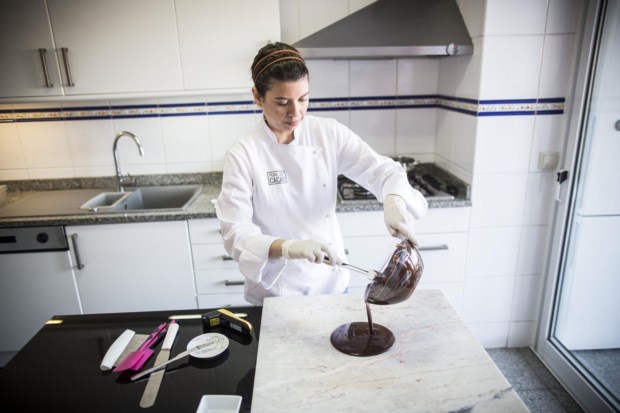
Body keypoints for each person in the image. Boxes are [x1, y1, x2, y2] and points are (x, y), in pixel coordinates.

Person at [216, 42, 427, 306]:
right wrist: (290, 247)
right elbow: (235, 233)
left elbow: (382, 170)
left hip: (331, 281)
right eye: (282, 102)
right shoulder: (243, 153)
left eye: (303, 99)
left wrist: (394, 200)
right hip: (278, 289)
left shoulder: (327, 133)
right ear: (257, 97)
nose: (295, 113)